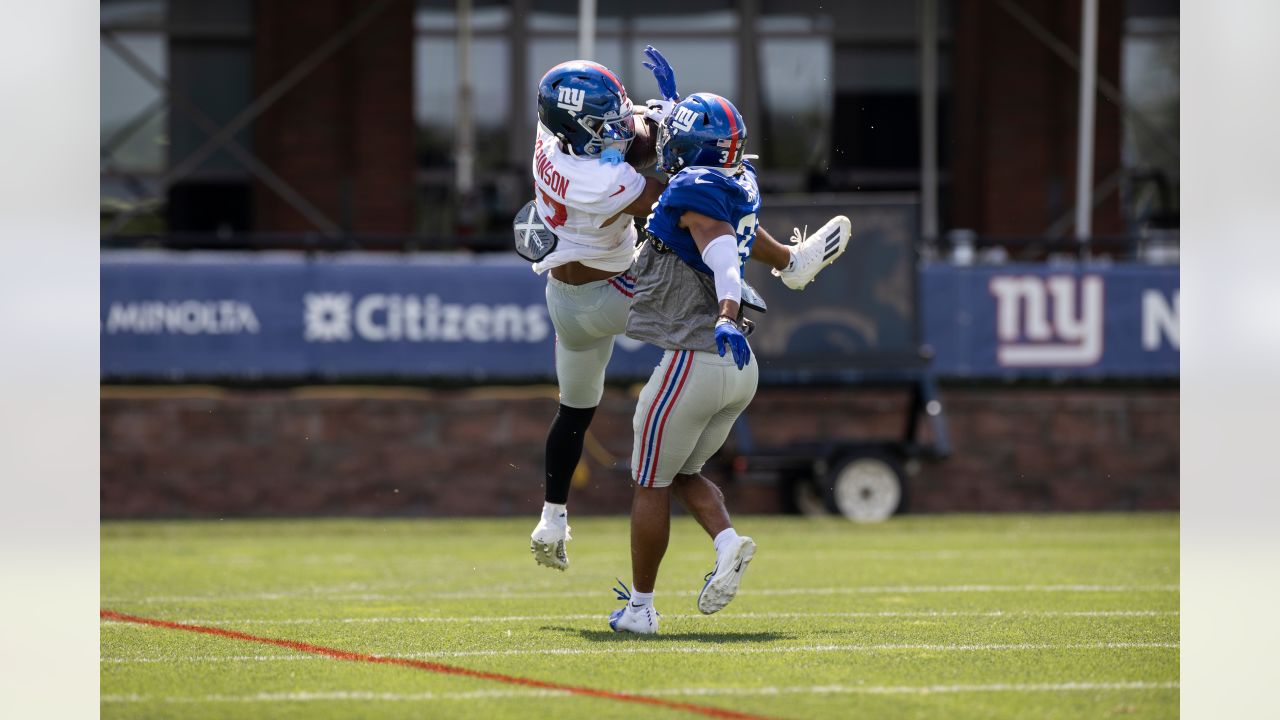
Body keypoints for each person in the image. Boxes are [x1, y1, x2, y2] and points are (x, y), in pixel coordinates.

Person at [525, 50, 849, 571]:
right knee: (700, 209)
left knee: (575, 410)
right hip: (617, 293)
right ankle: (786, 264)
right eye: (604, 123)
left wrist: (659, 114)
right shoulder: (595, 181)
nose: (620, 127)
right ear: (576, 128)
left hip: (565, 303)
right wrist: (690, 131)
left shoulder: (551, 136)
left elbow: (633, 135)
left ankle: (552, 517)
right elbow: (688, 196)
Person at [609, 92, 835, 634]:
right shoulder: (734, 178)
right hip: (738, 371)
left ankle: (640, 609)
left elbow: (720, 257)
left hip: (697, 356)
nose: (665, 145)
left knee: (647, 481)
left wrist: (728, 315)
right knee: (680, 471)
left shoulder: (694, 190)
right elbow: (724, 215)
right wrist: (672, 102)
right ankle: (728, 542)